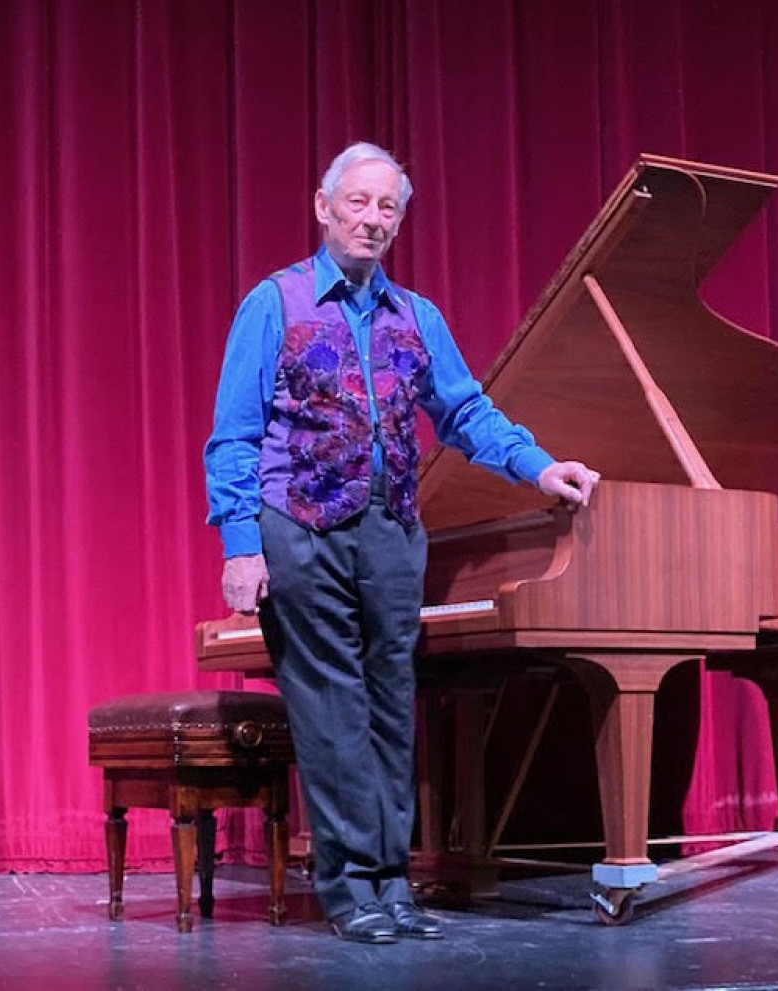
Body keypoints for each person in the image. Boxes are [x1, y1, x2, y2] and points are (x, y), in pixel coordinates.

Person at [204, 142, 599, 943]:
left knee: (391, 707)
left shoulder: (415, 317)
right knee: (331, 709)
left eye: (388, 207)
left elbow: (465, 411)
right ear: (324, 207)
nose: (373, 219)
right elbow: (234, 438)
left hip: (391, 535)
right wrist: (241, 543)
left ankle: (393, 881)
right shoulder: (274, 303)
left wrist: (538, 464)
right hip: (300, 528)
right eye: (359, 202)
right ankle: (348, 884)